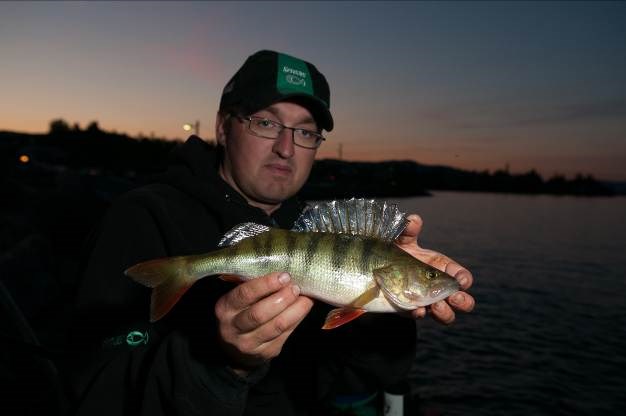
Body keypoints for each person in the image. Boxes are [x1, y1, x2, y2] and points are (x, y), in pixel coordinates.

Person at [65, 50, 475, 416]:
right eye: (265, 122)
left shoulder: (316, 226)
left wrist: (389, 313)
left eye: (306, 131)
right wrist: (220, 363)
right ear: (224, 127)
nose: (286, 147)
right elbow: (94, 390)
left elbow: (349, 386)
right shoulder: (143, 215)